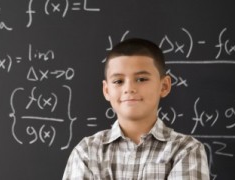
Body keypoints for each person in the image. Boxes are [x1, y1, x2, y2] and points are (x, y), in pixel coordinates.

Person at [62, 38, 210, 180]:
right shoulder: (87, 152)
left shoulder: (185, 150)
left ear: (164, 86)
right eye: (118, 81)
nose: (129, 88)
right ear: (107, 90)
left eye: (141, 79)